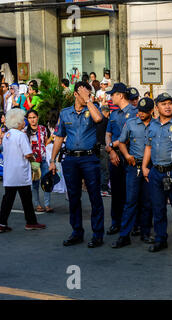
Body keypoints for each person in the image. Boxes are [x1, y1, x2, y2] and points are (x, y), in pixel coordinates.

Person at [49, 81, 105, 248]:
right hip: (71, 160)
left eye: (89, 94)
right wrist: (52, 160)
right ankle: (76, 232)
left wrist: (89, 100)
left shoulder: (93, 109)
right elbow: (59, 137)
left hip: (89, 159)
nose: (87, 97)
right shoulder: (65, 113)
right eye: (83, 94)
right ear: (75, 94)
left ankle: (97, 234)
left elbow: (98, 119)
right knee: (73, 197)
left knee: (95, 196)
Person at [142, 92, 172, 255]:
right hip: (156, 172)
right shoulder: (153, 125)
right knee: (158, 208)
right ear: (156, 108)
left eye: (170, 103)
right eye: (164, 104)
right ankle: (160, 239)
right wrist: (144, 167)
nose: (168, 106)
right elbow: (148, 147)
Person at [112, 97, 155, 248]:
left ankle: (145, 233)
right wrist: (127, 155)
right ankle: (124, 236)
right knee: (130, 202)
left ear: (151, 111)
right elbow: (122, 142)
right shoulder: (131, 123)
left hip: (150, 167)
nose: (141, 114)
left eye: (144, 111)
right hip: (133, 166)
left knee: (147, 202)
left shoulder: (156, 125)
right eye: (139, 111)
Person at [0, 108, 46, 233]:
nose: (24, 122)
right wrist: (34, 158)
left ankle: (2, 223)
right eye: (23, 120)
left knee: (8, 199)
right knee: (26, 198)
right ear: (19, 122)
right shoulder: (21, 135)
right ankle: (31, 222)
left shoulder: (7, 135)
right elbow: (27, 154)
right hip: (21, 172)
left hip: (10, 171)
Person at [104, 83, 137, 235]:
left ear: (120, 95)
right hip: (115, 156)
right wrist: (111, 151)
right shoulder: (114, 114)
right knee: (116, 192)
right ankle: (116, 222)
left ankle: (133, 224)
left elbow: (129, 136)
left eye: (113, 94)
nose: (111, 97)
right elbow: (108, 133)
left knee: (131, 192)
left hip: (130, 156)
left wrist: (111, 146)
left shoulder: (134, 112)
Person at [25, 109, 53, 213]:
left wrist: (53, 137)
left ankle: (47, 204)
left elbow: (45, 143)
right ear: (27, 119)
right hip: (33, 161)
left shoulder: (43, 128)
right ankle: (37, 204)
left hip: (44, 158)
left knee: (47, 182)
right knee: (35, 184)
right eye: (30, 118)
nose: (32, 120)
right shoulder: (25, 131)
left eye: (34, 117)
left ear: (38, 118)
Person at [97, 105, 111, 196]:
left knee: (99, 168)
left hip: (96, 147)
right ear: (107, 112)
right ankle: (104, 188)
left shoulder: (96, 121)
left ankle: (100, 187)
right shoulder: (106, 121)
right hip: (103, 146)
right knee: (105, 169)